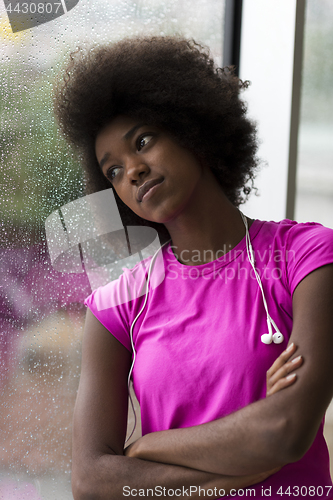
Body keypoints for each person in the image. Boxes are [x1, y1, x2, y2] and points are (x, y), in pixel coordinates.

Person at [53, 36, 333, 499]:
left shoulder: (307, 256)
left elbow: (285, 429)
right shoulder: (115, 307)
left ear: (191, 127)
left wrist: (146, 449)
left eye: (142, 142)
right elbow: (92, 480)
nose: (133, 172)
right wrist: (233, 475)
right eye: (113, 172)